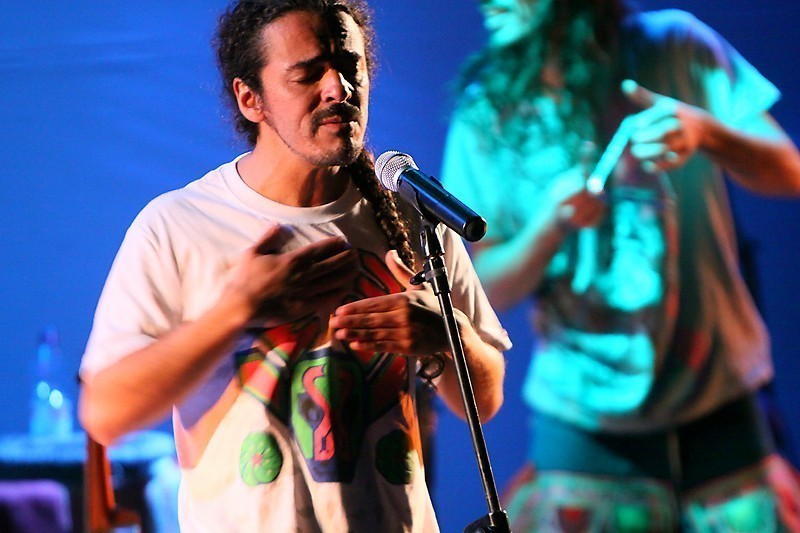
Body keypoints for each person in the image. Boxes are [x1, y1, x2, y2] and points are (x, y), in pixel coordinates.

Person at [78, 1, 510, 531]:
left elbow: (484, 402)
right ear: (250, 98)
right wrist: (236, 310)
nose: (338, 89)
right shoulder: (178, 224)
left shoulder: (411, 215)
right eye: (308, 75)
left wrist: (449, 335)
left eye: (350, 67)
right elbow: (106, 414)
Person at [442, 0, 800, 530]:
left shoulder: (672, 44)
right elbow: (480, 289)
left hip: (719, 401)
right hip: (584, 418)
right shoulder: (485, 115)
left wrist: (706, 133)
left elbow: (788, 171)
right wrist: (548, 228)